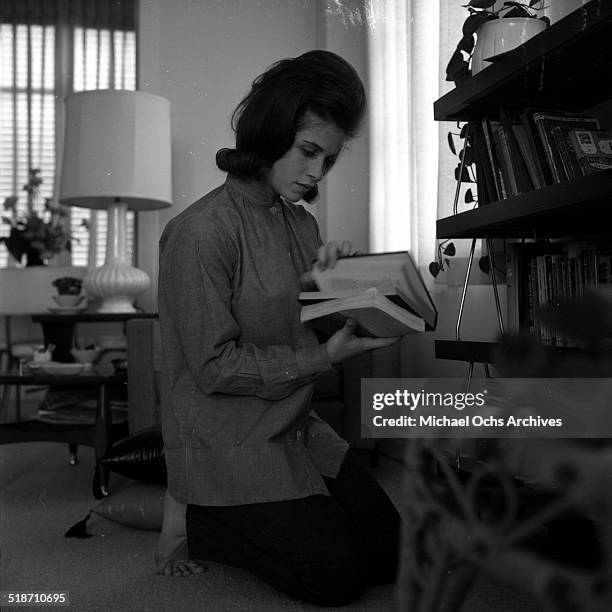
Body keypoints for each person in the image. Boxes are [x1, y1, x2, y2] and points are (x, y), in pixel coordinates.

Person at [156, 49, 401, 606]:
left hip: (294, 425)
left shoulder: (301, 222)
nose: (316, 173)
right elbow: (214, 368)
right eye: (309, 151)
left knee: (392, 555)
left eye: (328, 160)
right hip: (229, 439)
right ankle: (194, 516)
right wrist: (325, 358)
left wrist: (344, 288)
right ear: (270, 133)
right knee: (336, 580)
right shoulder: (199, 233)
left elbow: (310, 323)